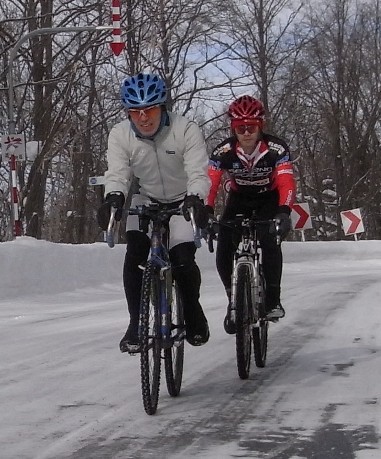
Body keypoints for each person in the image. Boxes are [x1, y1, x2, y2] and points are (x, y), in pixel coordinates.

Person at [97, 72, 211, 353]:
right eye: (135, 112)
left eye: (149, 109)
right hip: (145, 199)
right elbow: (118, 173)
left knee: (182, 257)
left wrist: (196, 197)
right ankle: (136, 323)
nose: (143, 118)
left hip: (183, 199)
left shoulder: (186, 129)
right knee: (135, 250)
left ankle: (193, 311)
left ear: (162, 106)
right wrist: (113, 198)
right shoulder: (120, 135)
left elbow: (198, 171)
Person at [206, 95, 296, 334]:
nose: (246, 133)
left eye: (251, 127)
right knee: (224, 246)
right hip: (239, 199)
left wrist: (284, 212)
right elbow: (211, 184)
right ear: (233, 128)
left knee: (270, 241)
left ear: (260, 126)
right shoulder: (223, 150)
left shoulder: (277, 149)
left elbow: (287, 183)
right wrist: (206, 211)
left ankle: (273, 301)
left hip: (269, 198)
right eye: (240, 128)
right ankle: (233, 301)